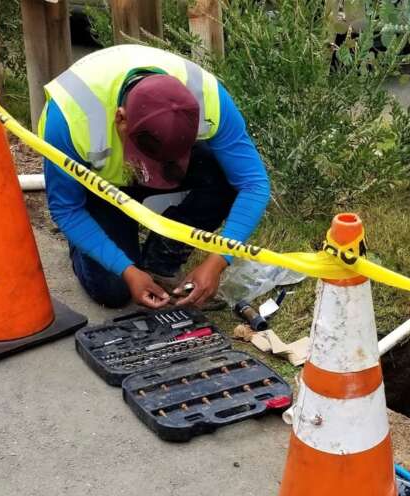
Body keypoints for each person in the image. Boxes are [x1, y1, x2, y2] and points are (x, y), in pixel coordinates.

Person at [39, 44, 270, 309]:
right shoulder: (68, 118)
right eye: (147, 160)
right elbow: (66, 209)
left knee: (222, 172)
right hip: (101, 184)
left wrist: (219, 260)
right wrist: (126, 270)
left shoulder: (208, 96)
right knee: (114, 292)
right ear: (121, 120)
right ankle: (94, 244)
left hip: (142, 158)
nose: (155, 174)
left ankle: (161, 257)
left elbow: (254, 184)